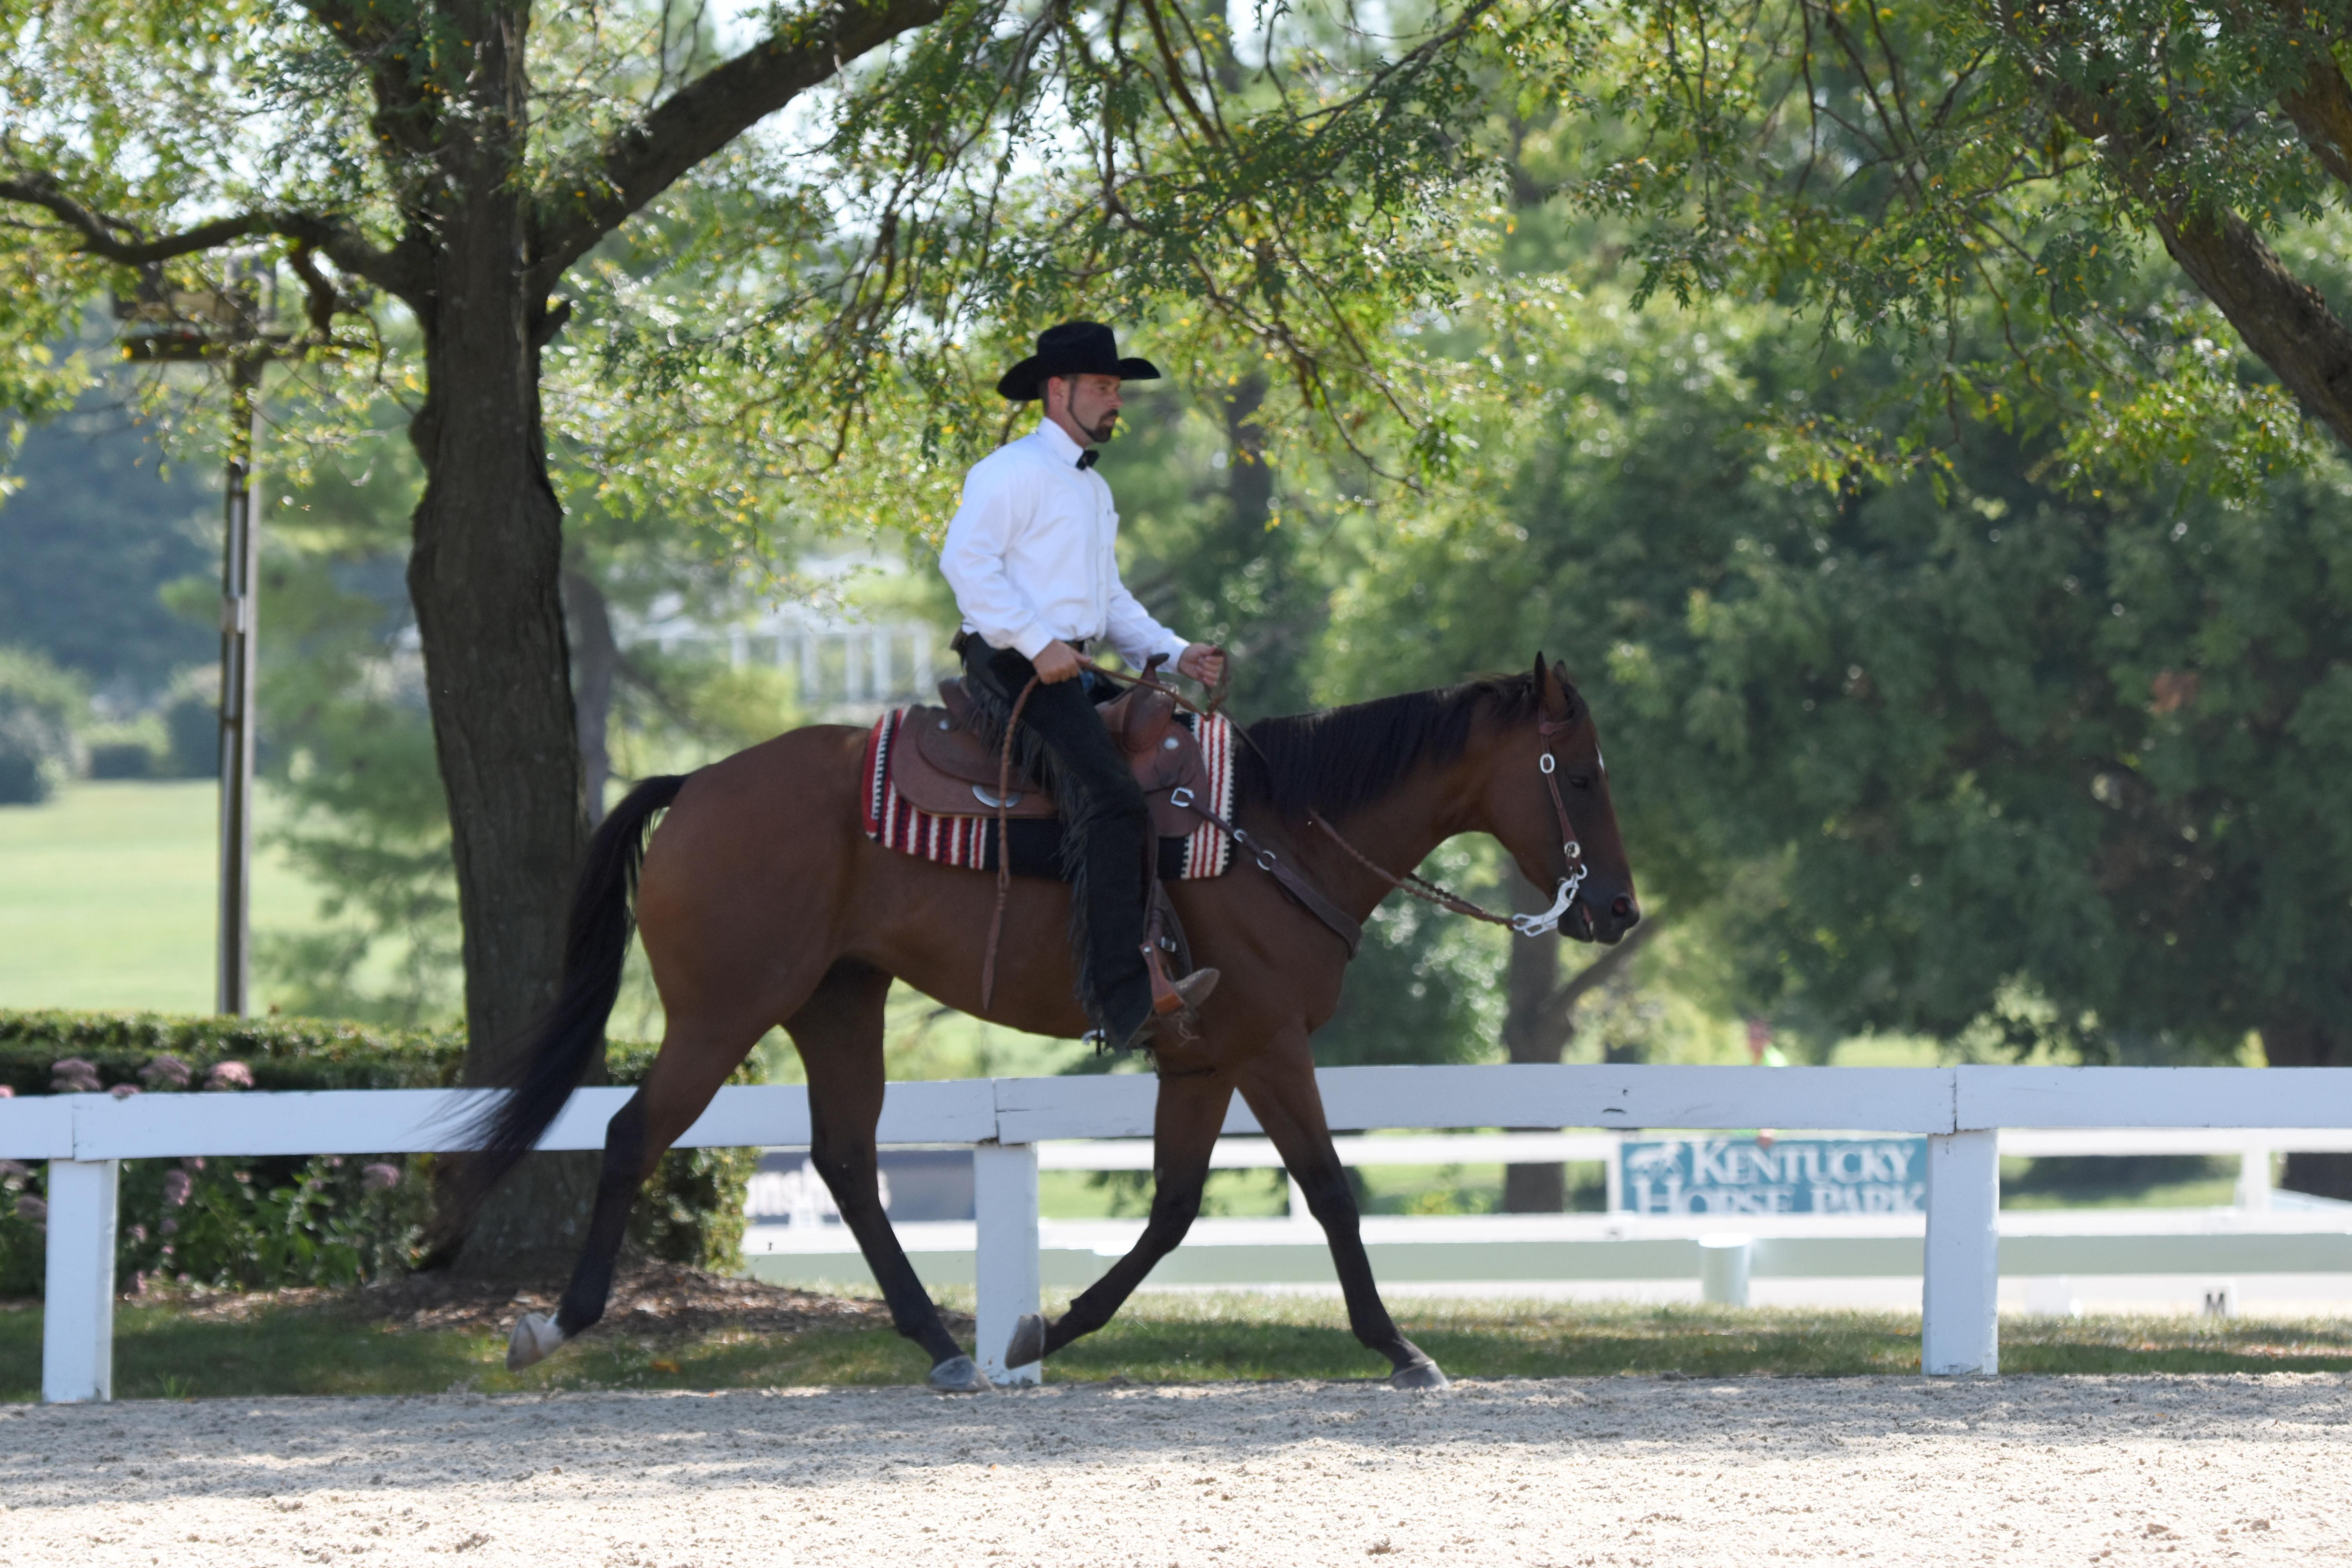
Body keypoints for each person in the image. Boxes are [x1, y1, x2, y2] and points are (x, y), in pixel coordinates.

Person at [940, 321, 1226, 1051]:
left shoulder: (1091, 488)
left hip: (1071, 661)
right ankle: (1123, 1001)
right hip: (1010, 661)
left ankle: (1174, 949)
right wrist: (1038, 645)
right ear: (1057, 389)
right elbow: (967, 568)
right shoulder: (1007, 473)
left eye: (1117, 388)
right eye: (1102, 387)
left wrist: (1176, 649)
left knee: (1180, 754)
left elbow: (1109, 600)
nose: (1115, 401)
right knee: (1109, 798)